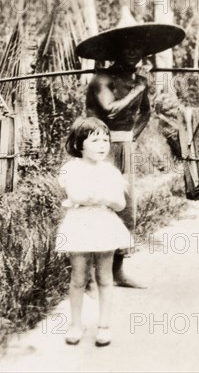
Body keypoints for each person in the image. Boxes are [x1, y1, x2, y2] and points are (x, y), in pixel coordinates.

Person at [76, 21, 186, 289]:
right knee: (98, 206)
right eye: (127, 48)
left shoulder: (138, 81)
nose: (133, 52)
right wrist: (139, 89)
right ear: (117, 51)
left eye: (138, 48)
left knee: (125, 208)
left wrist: (132, 137)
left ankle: (117, 271)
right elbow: (111, 110)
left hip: (124, 146)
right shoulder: (102, 79)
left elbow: (146, 112)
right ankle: (90, 277)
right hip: (98, 148)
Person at [56, 117, 133, 347]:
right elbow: (77, 196)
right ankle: (76, 324)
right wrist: (102, 197)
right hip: (80, 225)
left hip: (104, 226)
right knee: (78, 277)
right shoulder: (71, 168)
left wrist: (98, 197)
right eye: (95, 140)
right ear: (80, 144)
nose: (102, 145)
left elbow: (119, 203)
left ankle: (104, 325)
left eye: (105, 140)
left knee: (104, 277)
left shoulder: (110, 171)